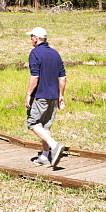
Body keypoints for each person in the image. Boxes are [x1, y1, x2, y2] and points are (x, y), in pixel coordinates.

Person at [24, 26, 67, 167]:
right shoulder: (55, 53)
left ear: (36, 39)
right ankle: (45, 156)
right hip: (53, 96)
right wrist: (61, 95)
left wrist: (29, 94)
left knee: (33, 123)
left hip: (40, 95)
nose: (30, 39)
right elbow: (62, 77)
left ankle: (54, 145)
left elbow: (35, 76)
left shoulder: (35, 53)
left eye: (31, 37)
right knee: (45, 126)